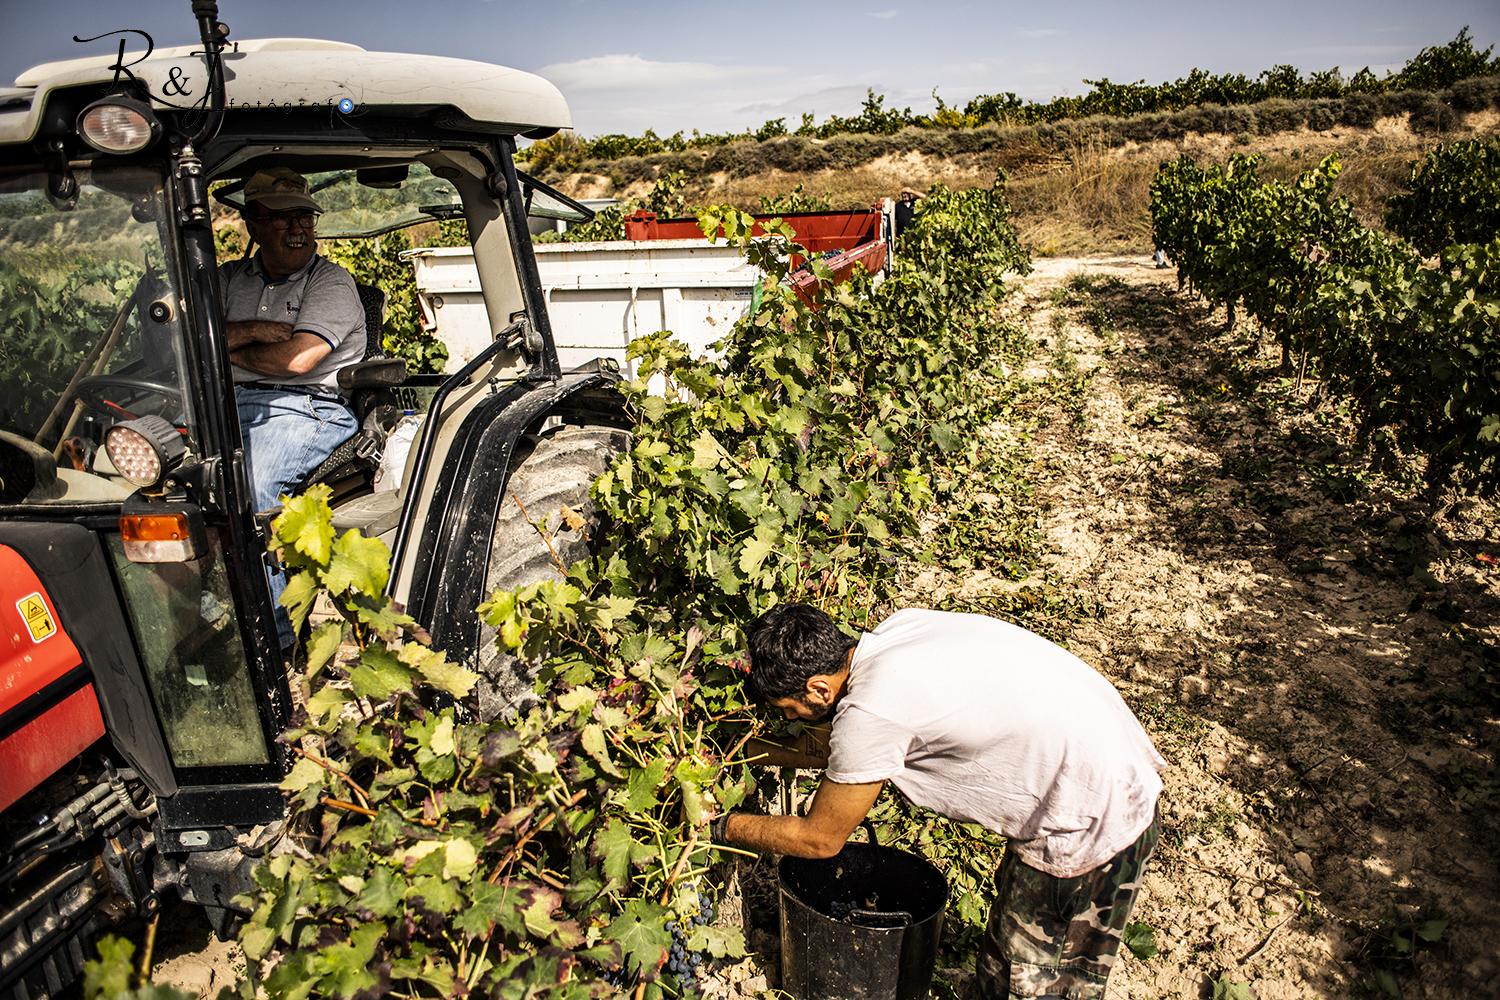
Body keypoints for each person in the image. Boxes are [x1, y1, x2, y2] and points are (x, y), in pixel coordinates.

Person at [713, 603, 1166, 1000]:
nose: (789, 721)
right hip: (1103, 759)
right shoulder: (898, 633)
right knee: (1010, 954)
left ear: (817, 689)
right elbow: (843, 754)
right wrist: (745, 750)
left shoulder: (870, 714)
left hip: (1090, 817)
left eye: (788, 711)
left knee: (1040, 980)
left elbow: (820, 840)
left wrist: (722, 826)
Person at [219, 167, 366, 645]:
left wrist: (227, 346)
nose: (298, 228)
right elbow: (187, 345)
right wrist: (256, 332)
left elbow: (297, 360)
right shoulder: (225, 279)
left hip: (307, 406)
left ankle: (276, 640)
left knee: (252, 486)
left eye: (305, 216)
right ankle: (212, 616)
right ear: (253, 224)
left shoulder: (331, 283)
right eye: (282, 219)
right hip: (221, 401)